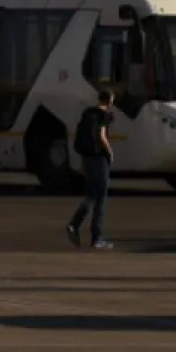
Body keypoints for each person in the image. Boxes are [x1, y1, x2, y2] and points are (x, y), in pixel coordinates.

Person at [67, 89, 116, 249]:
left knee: (90, 194)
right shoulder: (105, 115)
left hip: (87, 158)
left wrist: (83, 161)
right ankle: (96, 237)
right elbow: (102, 136)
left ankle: (75, 225)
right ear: (109, 101)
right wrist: (110, 152)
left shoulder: (88, 113)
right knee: (100, 197)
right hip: (99, 159)